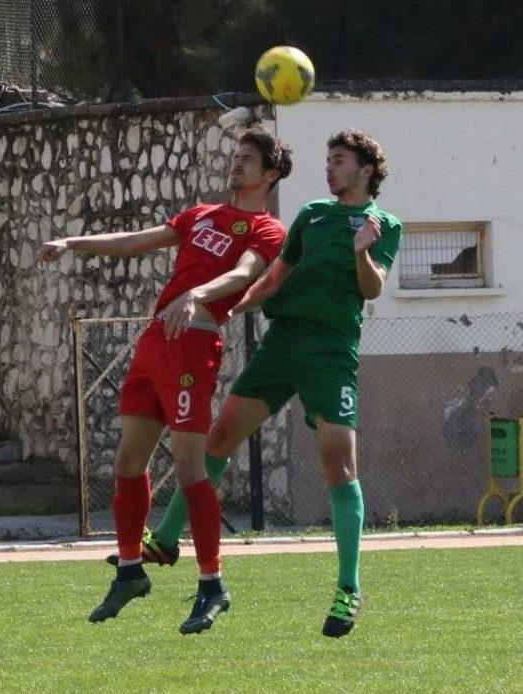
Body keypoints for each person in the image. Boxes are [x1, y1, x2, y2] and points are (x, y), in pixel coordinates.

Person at [125, 128, 402, 638]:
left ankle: (348, 590)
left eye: (339, 160)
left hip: (329, 351)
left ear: (365, 170)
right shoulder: (313, 215)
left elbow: (371, 289)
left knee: (337, 465)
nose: (330, 167)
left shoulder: (383, 224)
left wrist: (363, 250)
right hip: (282, 344)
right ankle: (165, 539)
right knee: (219, 439)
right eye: (328, 159)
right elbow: (275, 277)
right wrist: (230, 306)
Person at [37, 126, 292, 634]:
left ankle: (212, 585)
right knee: (129, 461)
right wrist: (73, 241)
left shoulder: (267, 229)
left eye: (248, 158)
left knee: (191, 468)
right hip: (156, 340)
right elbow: (136, 241)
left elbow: (244, 274)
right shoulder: (200, 214)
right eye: (235, 155)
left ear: (270, 173)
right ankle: (130, 571)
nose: (236, 163)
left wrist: (198, 294)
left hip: (194, 343)